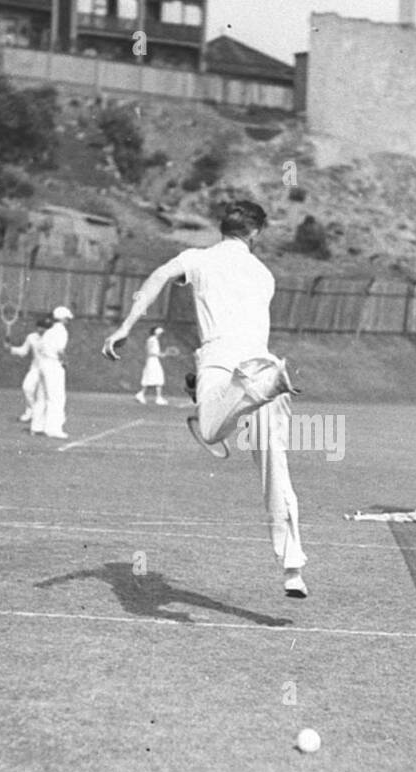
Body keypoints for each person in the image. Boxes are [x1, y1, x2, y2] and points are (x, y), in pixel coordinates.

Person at [101, 200, 307, 598]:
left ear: (223, 228)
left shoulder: (196, 257)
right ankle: (293, 568)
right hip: (262, 360)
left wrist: (126, 327)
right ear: (255, 233)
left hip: (221, 360)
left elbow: (156, 281)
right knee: (276, 471)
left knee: (212, 431)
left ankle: (244, 394)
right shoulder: (264, 274)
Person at [32, 306, 72, 439]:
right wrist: (65, 362)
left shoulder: (48, 331)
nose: (68, 321)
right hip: (53, 364)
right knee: (57, 398)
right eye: (67, 319)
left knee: (42, 396)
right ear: (63, 319)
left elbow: (40, 347)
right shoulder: (61, 331)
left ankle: (37, 426)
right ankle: (53, 428)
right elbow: (60, 350)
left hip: (43, 364)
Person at [9, 313, 52, 423]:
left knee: (47, 395)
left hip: (49, 370)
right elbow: (24, 351)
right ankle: (30, 413)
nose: (42, 329)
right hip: (35, 369)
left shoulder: (52, 338)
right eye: (40, 326)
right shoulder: (31, 337)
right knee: (27, 388)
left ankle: (45, 417)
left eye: (45, 327)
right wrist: (10, 348)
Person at [135, 326, 169, 406]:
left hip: (152, 360)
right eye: (160, 332)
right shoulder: (153, 340)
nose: (161, 334)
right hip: (153, 361)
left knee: (154, 378)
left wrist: (161, 354)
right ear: (156, 332)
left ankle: (143, 395)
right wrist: (161, 354)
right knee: (156, 377)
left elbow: (150, 351)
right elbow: (151, 352)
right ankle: (157, 398)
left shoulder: (152, 340)